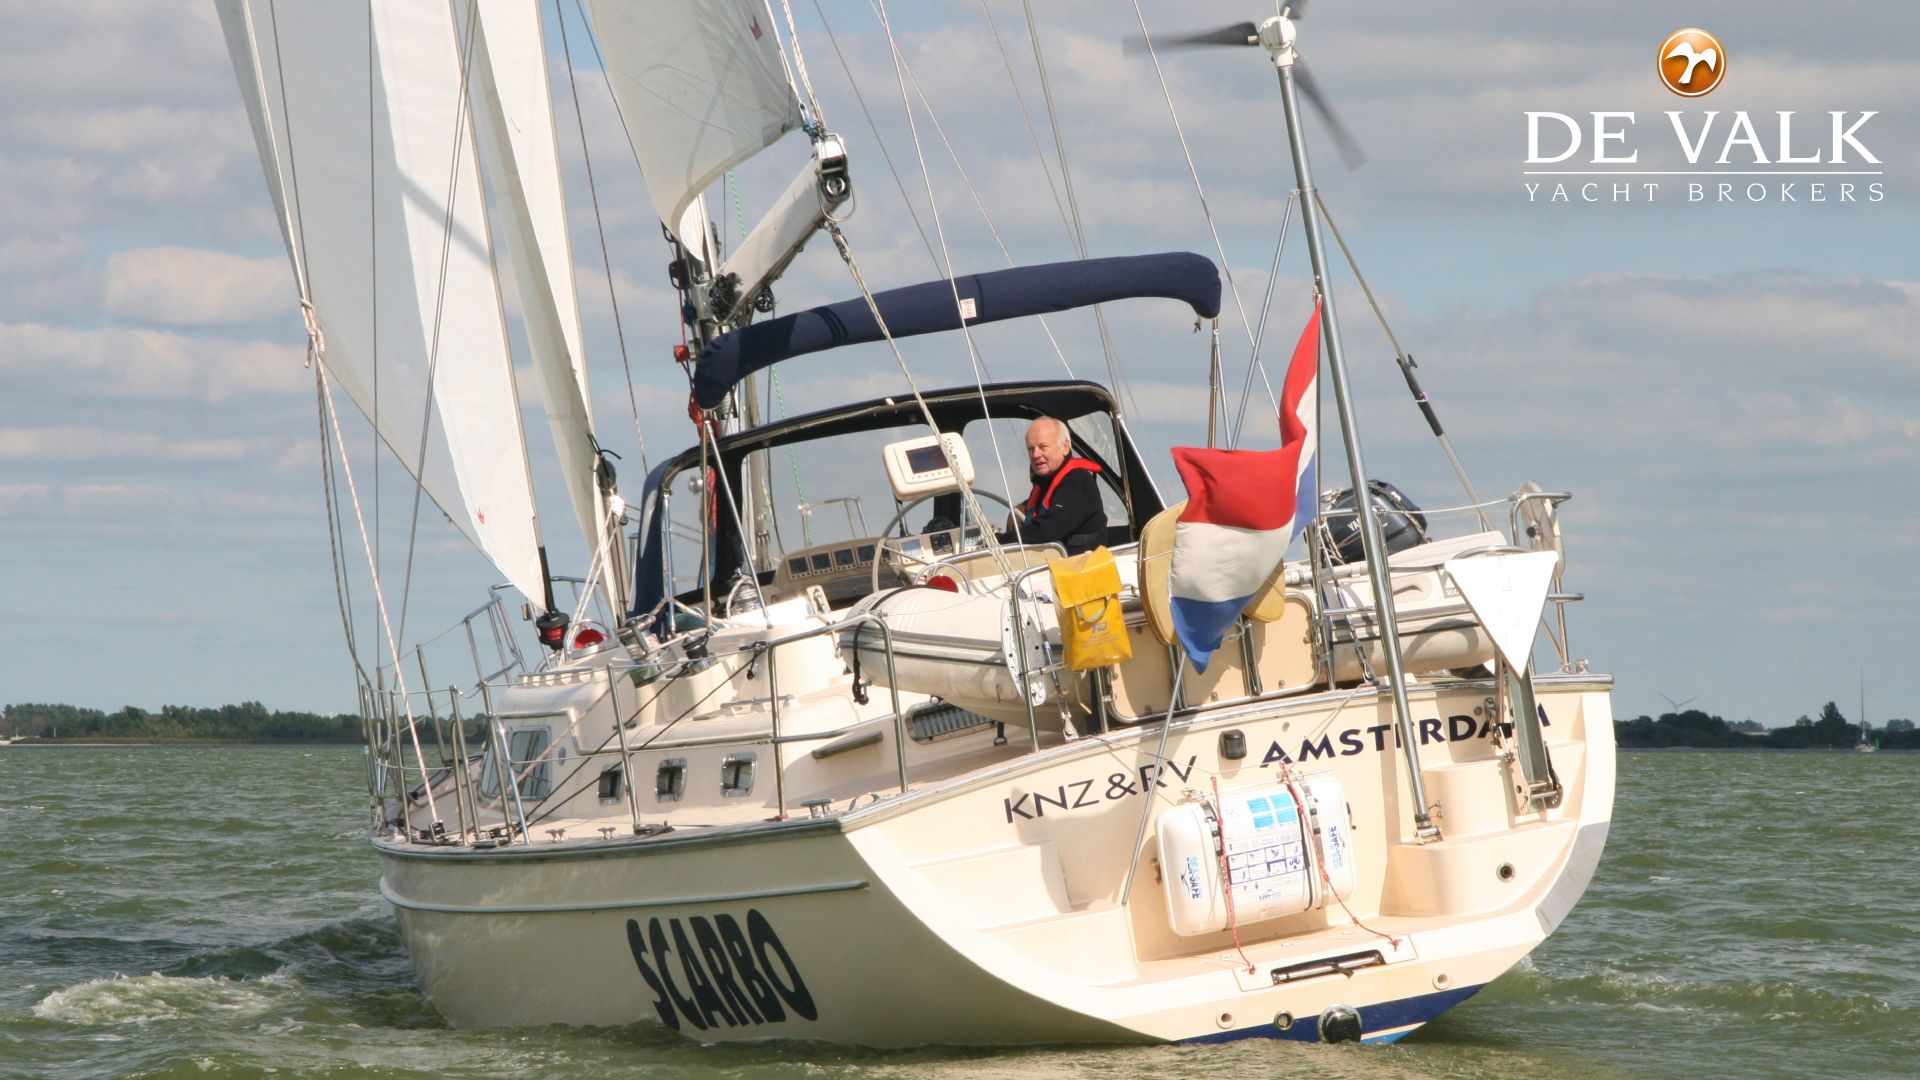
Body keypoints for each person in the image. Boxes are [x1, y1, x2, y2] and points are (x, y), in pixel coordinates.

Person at [996, 416, 1107, 555]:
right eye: (1031, 449)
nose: (1035, 454)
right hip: (1049, 562)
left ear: (1065, 447)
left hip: (1078, 564)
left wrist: (997, 541)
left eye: (1043, 447)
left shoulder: (1077, 482)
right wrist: (1019, 511)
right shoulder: (1046, 482)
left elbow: (1046, 531)